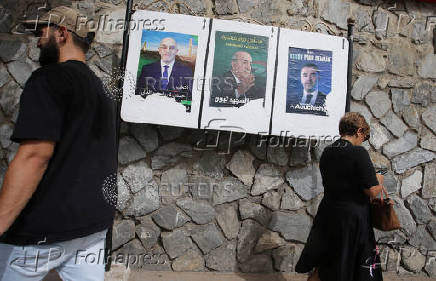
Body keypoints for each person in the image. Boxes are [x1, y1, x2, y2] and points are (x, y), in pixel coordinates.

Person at [0, 6, 117, 281]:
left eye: (43, 30)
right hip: (91, 226)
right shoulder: (101, 89)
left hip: (42, 230)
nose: (38, 38)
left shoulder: (49, 79)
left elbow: (34, 156)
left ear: (62, 33)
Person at [295, 112, 384, 281]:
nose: (363, 140)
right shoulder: (359, 152)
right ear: (359, 131)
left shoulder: (328, 151)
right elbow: (372, 191)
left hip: (328, 213)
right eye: (365, 136)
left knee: (328, 260)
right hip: (352, 218)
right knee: (352, 263)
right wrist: (379, 179)